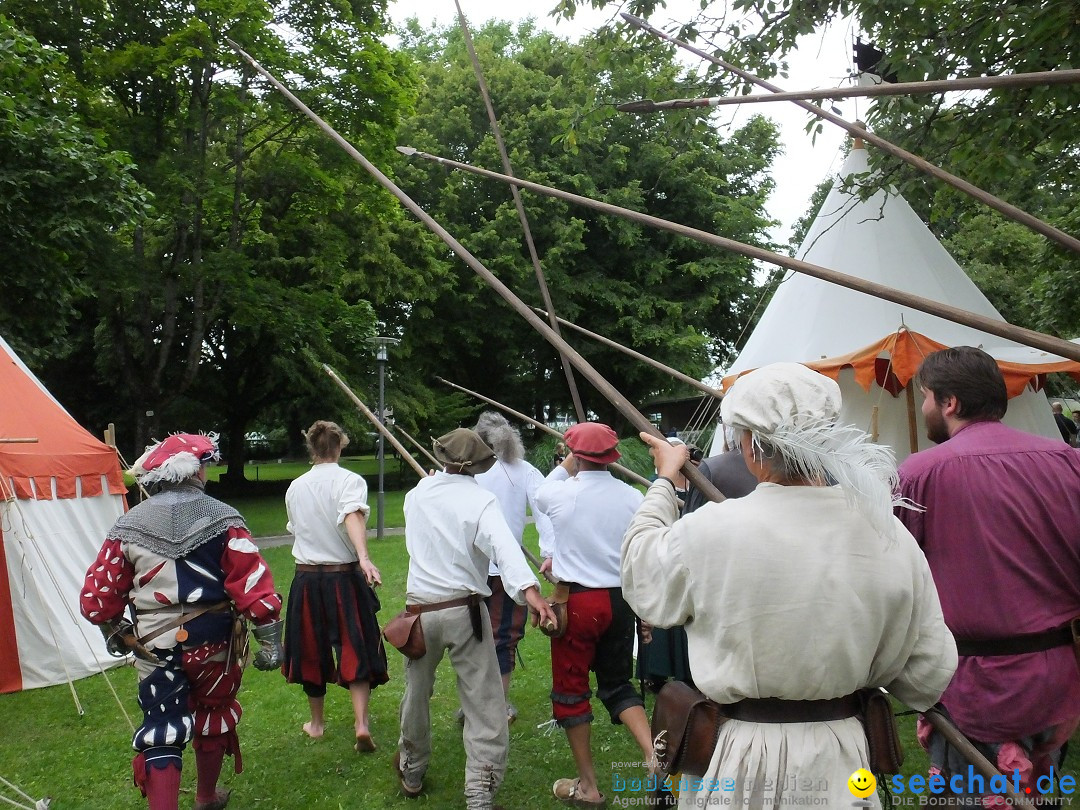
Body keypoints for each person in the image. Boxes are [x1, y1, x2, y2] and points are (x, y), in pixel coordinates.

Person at [624, 363, 957, 809]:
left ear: (749, 446)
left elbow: (642, 575)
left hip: (740, 760)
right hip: (843, 757)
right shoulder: (888, 536)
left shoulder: (707, 532)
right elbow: (926, 675)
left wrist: (666, 480)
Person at [898, 347, 1080, 797]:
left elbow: (892, 580)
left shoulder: (918, 474)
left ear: (950, 402)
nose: (924, 409)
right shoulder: (1069, 463)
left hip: (973, 683)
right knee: (1042, 796)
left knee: (975, 800)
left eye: (925, 398)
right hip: (1053, 680)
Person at [79, 433, 283, 810]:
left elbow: (99, 595)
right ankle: (205, 797)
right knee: (213, 710)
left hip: (154, 646)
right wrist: (270, 637)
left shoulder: (128, 525)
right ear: (196, 471)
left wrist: (113, 628)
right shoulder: (224, 519)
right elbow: (252, 580)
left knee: (161, 728)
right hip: (215, 644)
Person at [396, 428, 556, 809]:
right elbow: (504, 548)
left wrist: (529, 592)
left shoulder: (416, 495)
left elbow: (501, 547)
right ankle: (479, 793)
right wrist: (531, 594)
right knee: (485, 704)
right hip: (463, 611)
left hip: (422, 611)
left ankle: (412, 769)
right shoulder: (481, 501)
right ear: (481, 465)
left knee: (416, 696)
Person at [534, 422, 654, 809]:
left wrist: (567, 462)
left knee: (571, 691)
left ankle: (588, 785)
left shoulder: (561, 494)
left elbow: (542, 490)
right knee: (618, 683)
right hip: (621, 602)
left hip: (579, 604)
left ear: (576, 457)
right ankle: (654, 757)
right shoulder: (632, 497)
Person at [282, 420, 389, 751]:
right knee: (354, 644)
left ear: (312, 448)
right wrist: (364, 557)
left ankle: (316, 724)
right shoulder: (350, 481)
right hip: (342, 577)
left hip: (307, 579)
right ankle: (361, 723)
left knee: (310, 649)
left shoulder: (295, 487)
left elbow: (302, 528)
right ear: (340, 445)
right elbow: (351, 515)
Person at [472, 411, 555, 724]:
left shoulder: (466, 472)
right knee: (500, 637)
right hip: (503, 572)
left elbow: (544, 507)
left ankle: (492, 705)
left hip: (480, 570)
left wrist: (549, 551)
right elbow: (547, 509)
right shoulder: (523, 471)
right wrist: (550, 552)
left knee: (481, 637)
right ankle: (493, 705)